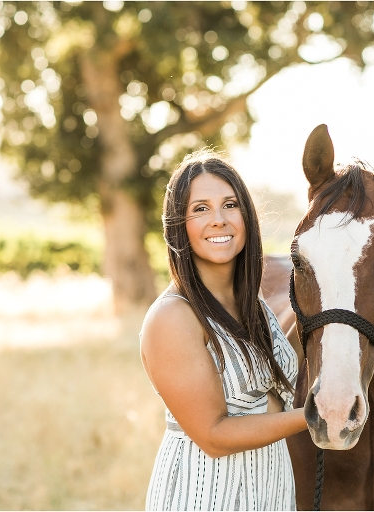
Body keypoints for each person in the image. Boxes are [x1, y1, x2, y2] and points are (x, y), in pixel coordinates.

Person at [140, 150, 307, 511]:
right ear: (178, 225)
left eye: (230, 205)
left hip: (270, 493)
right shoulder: (173, 317)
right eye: (200, 208)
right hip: (204, 498)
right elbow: (213, 436)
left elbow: (276, 397)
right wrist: (313, 417)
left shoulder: (256, 307)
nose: (218, 220)